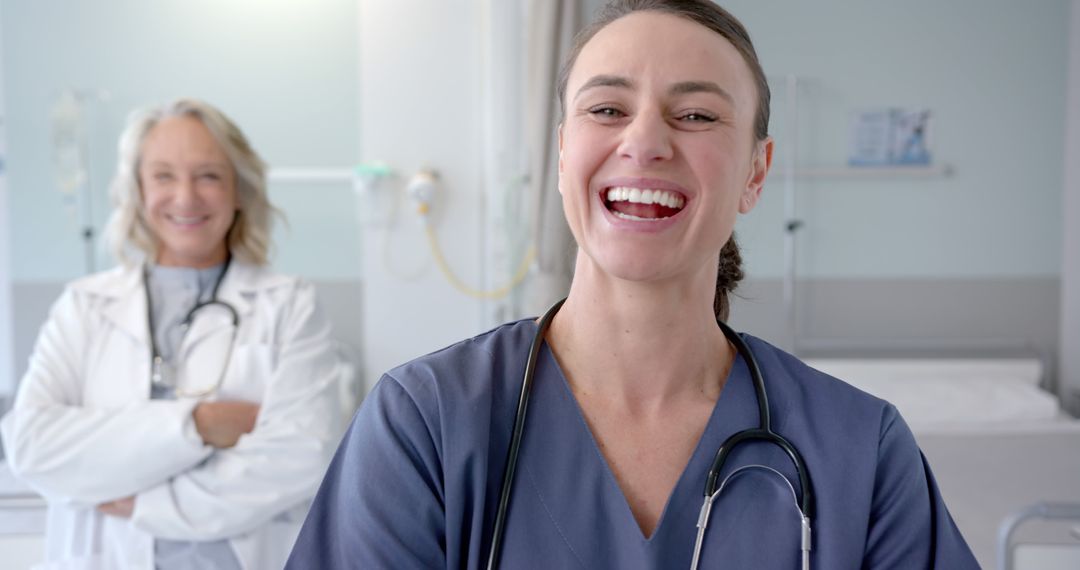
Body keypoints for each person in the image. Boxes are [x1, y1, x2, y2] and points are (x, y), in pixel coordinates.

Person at [286, 1, 978, 568]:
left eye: (698, 115)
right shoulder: (427, 424)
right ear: (562, 154)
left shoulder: (859, 449)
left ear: (756, 172)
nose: (645, 141)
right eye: (608, 109)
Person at [1, 98, 349, 570]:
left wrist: (148, 504)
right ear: (138, 190)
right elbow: (32, 446)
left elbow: (300, 457)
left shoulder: (289, 306)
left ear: (239, 190)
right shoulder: (84, 307)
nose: (185, 198)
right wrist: (199, 426)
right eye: (163, 176)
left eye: (208, 175)